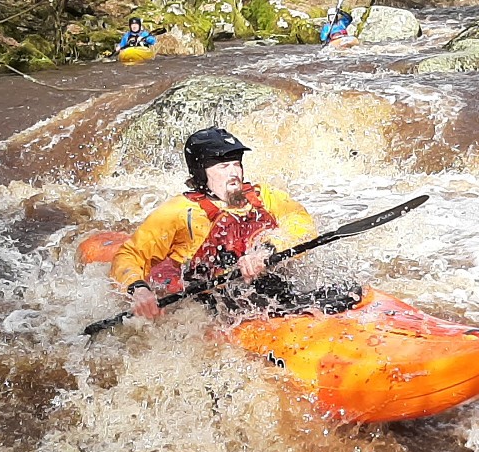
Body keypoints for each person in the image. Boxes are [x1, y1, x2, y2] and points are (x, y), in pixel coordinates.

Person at [112, 127, 362, 321]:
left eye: (236, 164)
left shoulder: (263, 196)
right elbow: (131, 254)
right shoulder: (179, 212)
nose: (234, 172)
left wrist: (267, 249)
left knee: (348, 292)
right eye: (223, 166)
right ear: (201, 174)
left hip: (266, 288)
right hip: (210, 301)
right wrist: (138, 289)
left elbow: (301, 222)